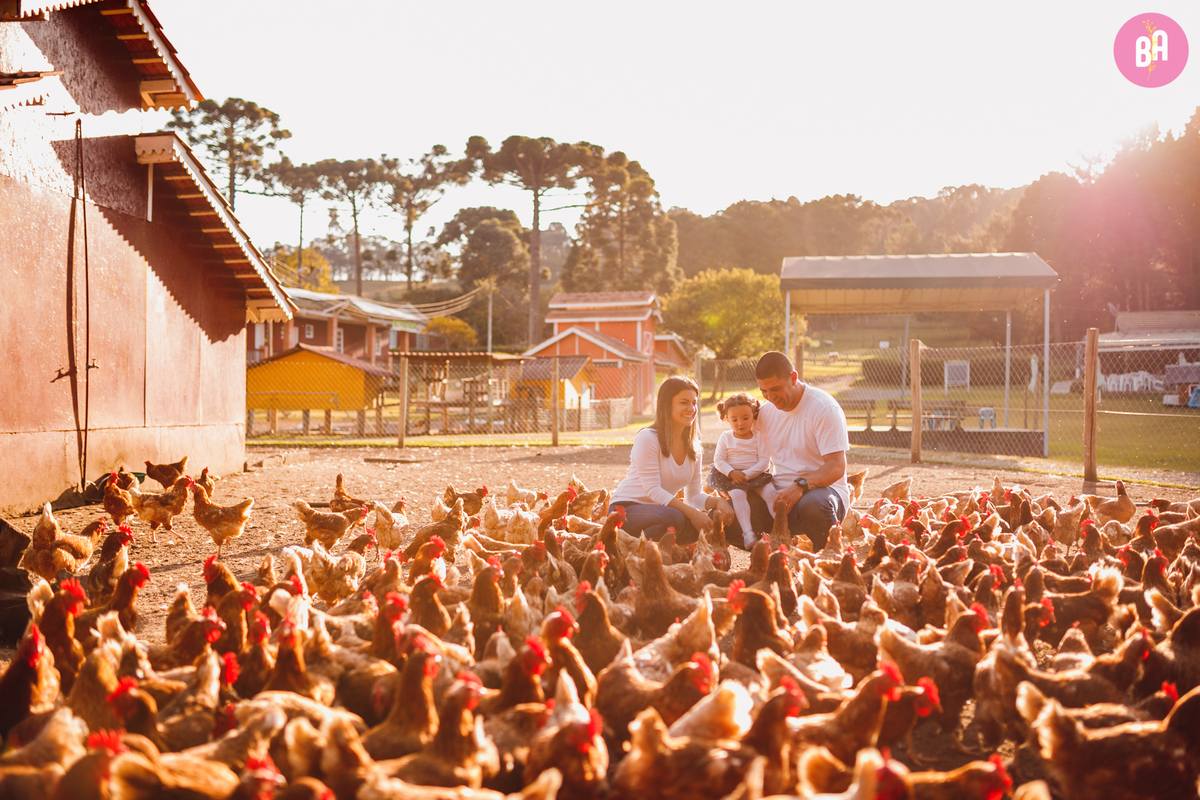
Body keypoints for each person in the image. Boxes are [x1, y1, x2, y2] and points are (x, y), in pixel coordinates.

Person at [744, 350, 850, 550]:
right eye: (764, 391)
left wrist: (800, 486)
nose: (770, 397)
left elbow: (836, 467)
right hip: (779, 500)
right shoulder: (765, 412)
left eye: (775, 389)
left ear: (793, 378)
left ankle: (828, 560)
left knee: (813, 505)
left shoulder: (823, 408)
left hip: (823, 495)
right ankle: (769, 558)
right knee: (728, 513)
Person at [608, 375, 722, 543]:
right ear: (666, 405)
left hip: (660, 511)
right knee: (675, 518)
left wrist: (719, 503)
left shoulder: (694, 446)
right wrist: (692, 513)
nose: (691, 408)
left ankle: (652, 558)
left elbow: (693, 496)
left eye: (694, 403)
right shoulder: (648, 438)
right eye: (684, 402)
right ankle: (628, 552)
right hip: (627, 509)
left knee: (701, 526)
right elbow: (653, 490)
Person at [709, 392, 778, 549]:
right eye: (734, 419)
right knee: (738, 496)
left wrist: (746, 475)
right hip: (733, 477)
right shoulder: (726, 437)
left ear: (754, 416)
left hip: (756, 475)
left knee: (770, 493)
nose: (740, 423)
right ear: (727, 419)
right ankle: (748, 532)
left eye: (745, 418)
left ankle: (781, 529)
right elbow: (719, 460)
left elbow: (764, 461)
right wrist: (732, 473)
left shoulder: (758, 436)